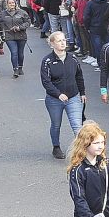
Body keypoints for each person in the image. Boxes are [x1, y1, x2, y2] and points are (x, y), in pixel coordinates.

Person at [41, 31, 86, 159]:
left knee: (77, 125)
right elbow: (46, 82)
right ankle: (56, 147)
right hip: (54, 99)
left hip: (73, 97)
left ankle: (82, 150)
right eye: (59, 41)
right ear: (52, 44)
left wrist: (82, 92)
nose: (62, 43)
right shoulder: (47, 61)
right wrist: (58, 94)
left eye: (64, 40)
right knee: (56, 124)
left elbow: (79, 76)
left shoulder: (72, 58)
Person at [0, 0, 31, 78]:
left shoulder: (22, 12)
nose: (11, 4)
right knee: (14, 52)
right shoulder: (3, 14)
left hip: (21, 36)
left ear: (16, 4)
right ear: (7, 4)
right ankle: (15, 69)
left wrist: (20, 27)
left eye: (13, 3)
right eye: (10, 3)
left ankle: (20, 67)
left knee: (20, 53)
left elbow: (28, 22)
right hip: (10, 36)